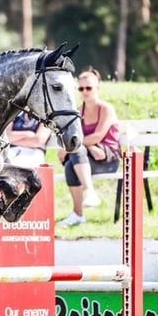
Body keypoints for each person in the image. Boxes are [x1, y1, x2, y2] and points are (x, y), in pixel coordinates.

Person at [57, 66, 121, 227]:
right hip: (86, 158)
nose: (85, 91)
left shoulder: (106, 109)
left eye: (89, 88)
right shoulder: (79, 111)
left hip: (107, 159)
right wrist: (88, 146)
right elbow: (78, 138)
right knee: (70, 166)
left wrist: (72, 147)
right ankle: (79, 214)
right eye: (81, 88)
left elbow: (98, 136)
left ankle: (89, 193)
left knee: (75, 150)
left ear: (97, 87)